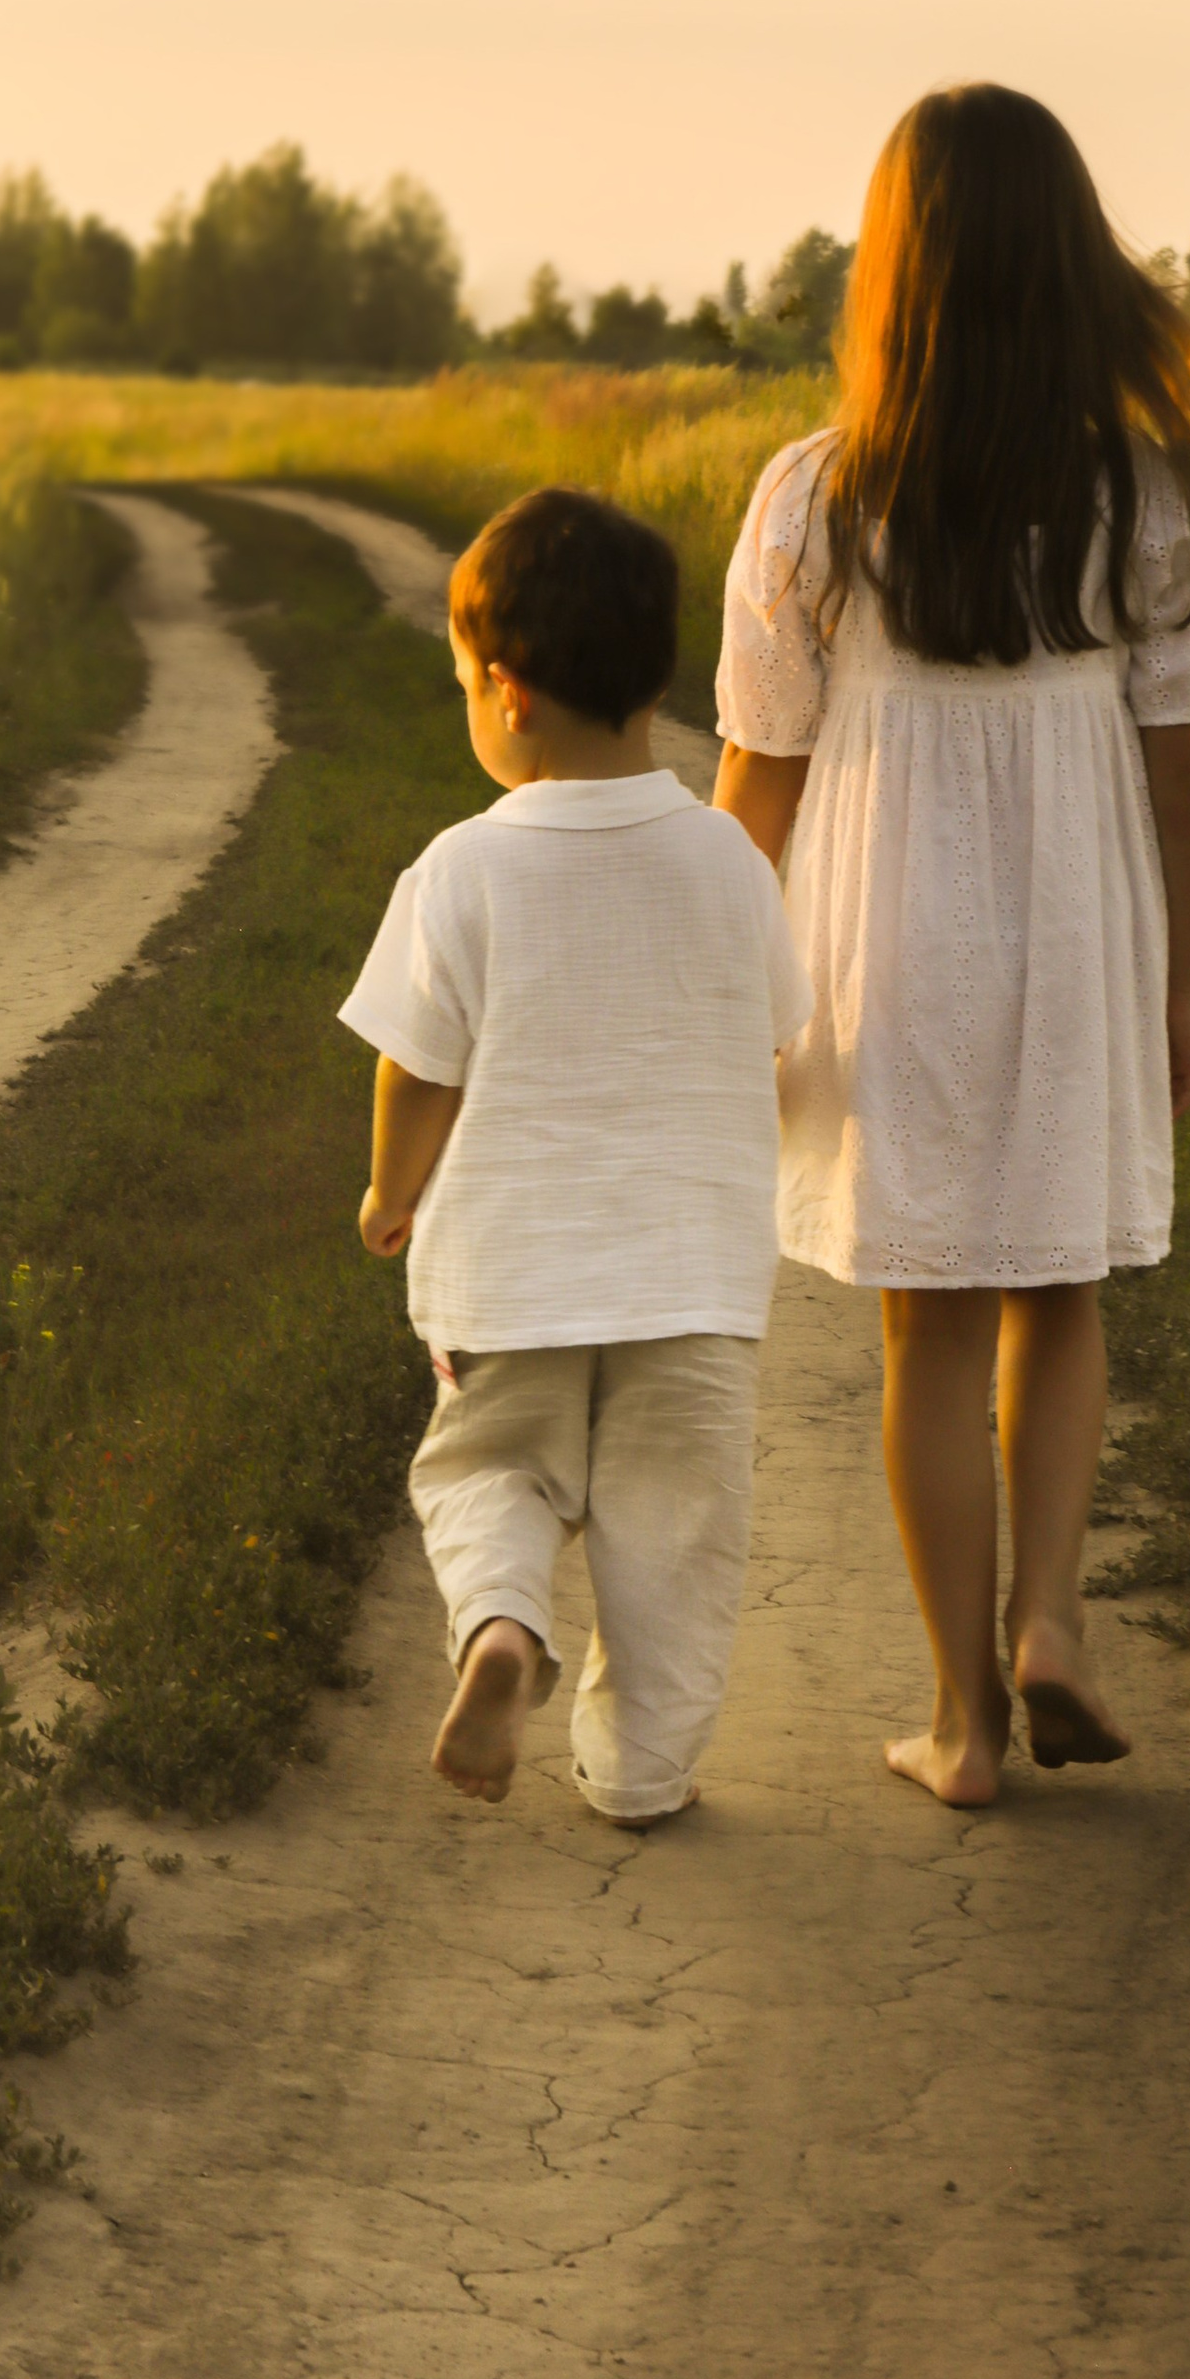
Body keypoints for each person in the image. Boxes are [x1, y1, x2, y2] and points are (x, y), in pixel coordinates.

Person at [714, 84, 1190, 1809]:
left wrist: (738, 993)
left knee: (926, 1327)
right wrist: (1178, 983)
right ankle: (1052, 1629)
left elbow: (758, 778)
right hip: (1077, 904)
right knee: (1059, 1287)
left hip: (884, 920)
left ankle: (958, 1726)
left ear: (895, 271)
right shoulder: (1147, 495)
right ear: (1068, 264)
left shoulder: (818, 499)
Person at [341, 484, 813, 1822]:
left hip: (510, 1273)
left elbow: (417, 1063)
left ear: (507, 691)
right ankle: (642, 1774)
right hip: (692, 1280)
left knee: (491, 1467)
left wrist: (393, 1190)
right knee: (676, 1535)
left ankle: (500, 1628)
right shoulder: (730, 864)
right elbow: (775, 1033)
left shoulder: (460, 871)